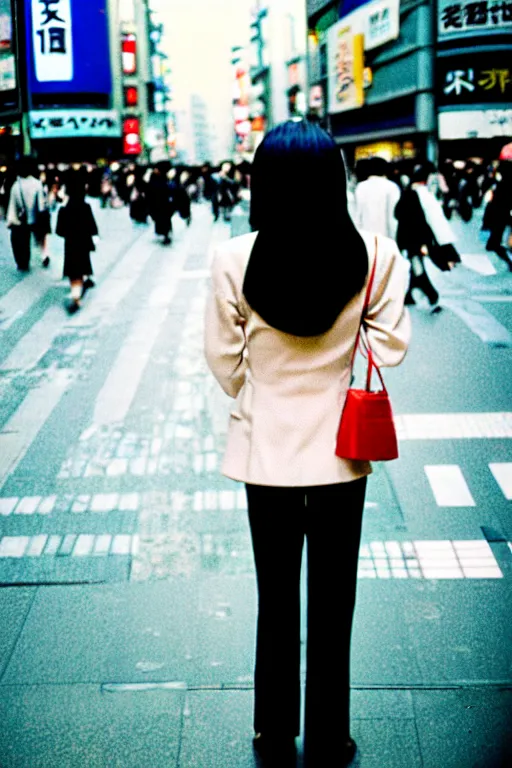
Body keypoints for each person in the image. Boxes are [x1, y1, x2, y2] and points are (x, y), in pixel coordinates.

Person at [204, 120, 411, 768]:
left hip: (264, 453)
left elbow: (222, 360)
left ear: (262, 183)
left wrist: (262, 381)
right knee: (333, 602)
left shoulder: (233, 259)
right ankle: (329, 733)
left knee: (275, 596)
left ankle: (272, 728)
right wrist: (337, 364)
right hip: (341, 456)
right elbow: (391, 346)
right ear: (336, 181)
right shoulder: (376, 255)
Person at [395, 164, 460, 311]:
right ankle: (430, 294)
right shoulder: (418, 194)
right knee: (417, 266)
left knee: (416, 265)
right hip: (416, 239)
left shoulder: (411, 193)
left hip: (411, 239)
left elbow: (399, 214)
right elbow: (423, 220)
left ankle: (414, 296)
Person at [56, 172, 98, 314]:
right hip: (83, 244)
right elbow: (93, 227)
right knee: (81, 270)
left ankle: (75, 294)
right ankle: (77, 295)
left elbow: (59, 231)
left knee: (73, 272)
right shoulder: (86, 207)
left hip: (70, 245)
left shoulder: (64, 209)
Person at [6, 156, 51, 272]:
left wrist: (11, 221)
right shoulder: (37, 184)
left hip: (23, 220)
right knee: (42, 237)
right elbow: (42, 205)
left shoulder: (16, 186)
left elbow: (12, 207)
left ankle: (23, 262)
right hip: (37, 218)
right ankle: (44, 254)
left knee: (23, 241)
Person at [353, 156, 401, 239]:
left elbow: (357, 217)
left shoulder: (360, 187)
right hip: (386, 239)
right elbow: (393, 219)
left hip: (366, 239)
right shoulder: (391, 187)